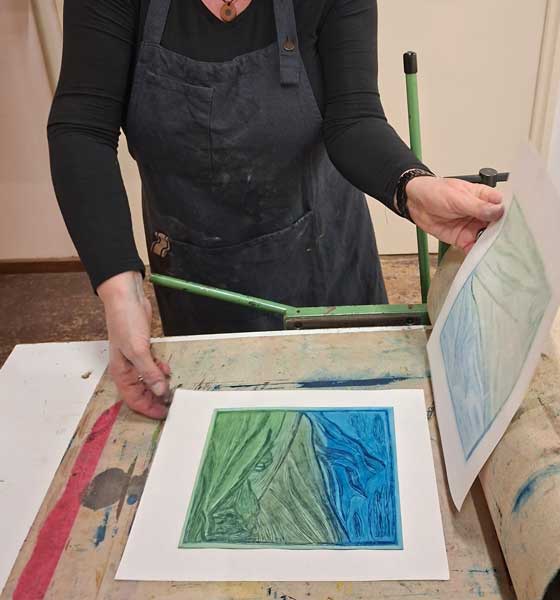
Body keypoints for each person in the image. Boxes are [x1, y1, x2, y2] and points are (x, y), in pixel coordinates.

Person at [48, 0, 504, 419]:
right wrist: (120, 291)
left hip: (324, 262)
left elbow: (353, 118)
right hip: (198, 273)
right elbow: (83, 128)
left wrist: (413, 187)